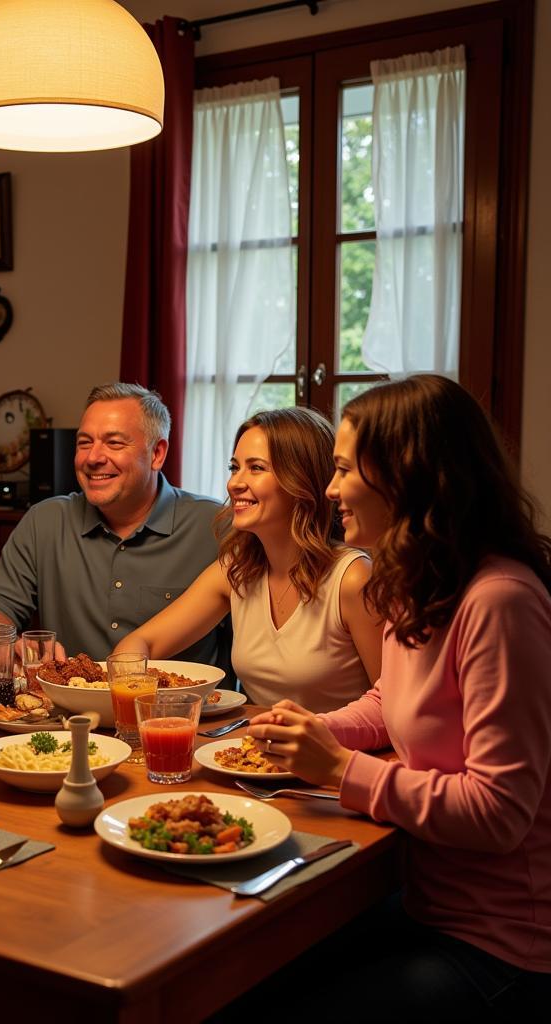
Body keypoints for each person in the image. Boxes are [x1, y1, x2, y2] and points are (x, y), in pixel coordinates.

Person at [245, 375, 551, 1019]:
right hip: (424, 901)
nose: (330, 491)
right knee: (246, 977)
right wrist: (314, 730)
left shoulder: (500, 600)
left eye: (343, 469)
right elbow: (391, 699)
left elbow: (500, 814)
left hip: (502, 942)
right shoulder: (419, 579)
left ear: (403, 476)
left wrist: (338, 769)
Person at [114, 407, 381, 712]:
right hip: (250, 753)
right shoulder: (237, 571)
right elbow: (138, 645)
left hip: (338, 755)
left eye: (256, 468)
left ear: (302, 480)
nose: (235, 483)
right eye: (234, 467)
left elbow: (390, 708)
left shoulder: (353, 579)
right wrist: (132, 697)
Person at [0, 382, 231, 669]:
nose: (93, 458)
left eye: (114, 443)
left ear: (157, 454)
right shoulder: (45, 521)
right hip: (70, 711)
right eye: (84, 443)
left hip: (183, 710)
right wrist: (8, 645)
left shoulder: (217, 526)